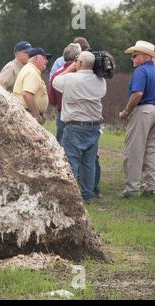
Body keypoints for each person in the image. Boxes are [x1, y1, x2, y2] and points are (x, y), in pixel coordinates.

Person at [53, 51, 107, 204]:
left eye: (77, 60)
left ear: (80, 63)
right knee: (89, 163)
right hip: (94, 126)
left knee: (71, 161)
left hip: (75, 126)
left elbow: (55, 81)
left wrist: (70, 68)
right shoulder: (101, 81)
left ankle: (69, 196)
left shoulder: (70, 79)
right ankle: (88, 195)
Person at [119, 41, 155, 198]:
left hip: (143, 111)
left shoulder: (141, 71)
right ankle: (150, 187)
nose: (132, 59)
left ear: (145, 57)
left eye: (135, 55)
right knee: (151, 150)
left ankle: (132, 189)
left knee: (134, 150)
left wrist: (127, 111)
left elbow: (138, 93)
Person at [49, 43, 82, 142]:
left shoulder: (57, 74)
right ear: (78, 57)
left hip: (62, 115)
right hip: (81, 116)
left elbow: (52, 101)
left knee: (61, 148)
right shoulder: (84, 74)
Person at [13, 47, 54, 125]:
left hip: (27, 113)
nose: (47, 61)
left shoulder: (31, 70)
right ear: (37, 58)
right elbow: (27, 94)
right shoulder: (31, 72)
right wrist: (37, 116)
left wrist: (39, 113)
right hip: (27, 114)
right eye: (44, 58)